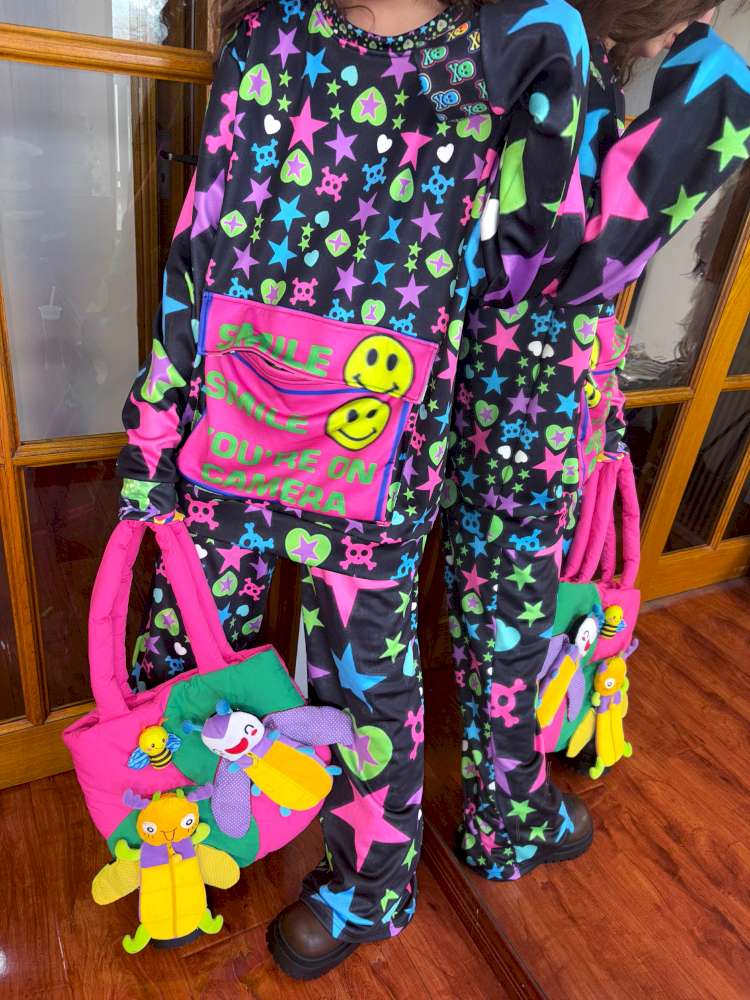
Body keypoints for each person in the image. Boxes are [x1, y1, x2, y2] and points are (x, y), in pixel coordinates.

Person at [116, 0, 591, 979]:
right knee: (186, 646)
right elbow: (200, 231)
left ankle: (371, 888)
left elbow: (530, 271)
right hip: (228, 417)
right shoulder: (266, 31)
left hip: (380, 441)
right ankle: (178, 845)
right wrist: (156, 409)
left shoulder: (523, 44)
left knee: (367, 680)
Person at [443, 0, 749, 881]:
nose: (700, 20)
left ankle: (483, 798)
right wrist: (699, 52)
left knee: (474, 594)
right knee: (510, 607)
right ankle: (507, 820)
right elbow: (600, 235)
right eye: (693, 6)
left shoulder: (502, 34)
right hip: (528, 382)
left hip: (448, 362)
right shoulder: (567, 50)